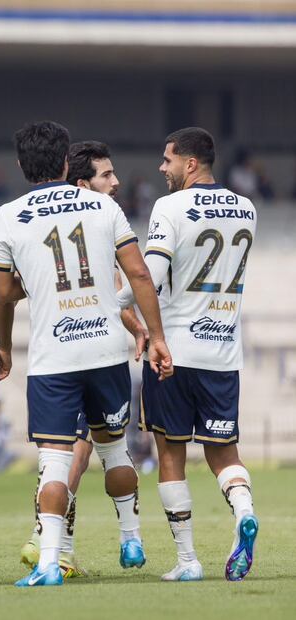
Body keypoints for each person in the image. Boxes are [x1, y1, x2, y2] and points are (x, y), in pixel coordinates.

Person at [0, 121, 173, 587]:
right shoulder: (103, 206)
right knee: (114, 449)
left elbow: (3, 295)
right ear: (66, 164)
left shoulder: (8, 215)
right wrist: (157, 336)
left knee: (54, 461)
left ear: (20, 166)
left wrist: (5, 344)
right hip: (108, 349)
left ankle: (50, 562)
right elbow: (139, 275)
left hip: (55, 357)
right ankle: (131, 536)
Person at [116, 127, 259, 582]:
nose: (162, 168)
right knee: (224, 453)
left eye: (168, 160)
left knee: (170, 454)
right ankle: (244, 512)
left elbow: (150, 275)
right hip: (223, 351)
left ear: (190, 163)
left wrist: (117, 303)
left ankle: (188, 560)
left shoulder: (170, 207)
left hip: (172, 350)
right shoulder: (247, 208)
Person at [19, 140, 149, 578]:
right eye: (106, 176)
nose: (116, 183)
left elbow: (108, 293)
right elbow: (124, 284)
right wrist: (142, 328)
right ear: (80, 183)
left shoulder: (49, 220)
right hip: (99, 353)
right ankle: (124, 536)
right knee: (100, 450)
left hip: (60, 355)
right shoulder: (100, 220)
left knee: (64, 456)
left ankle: (52, 545)